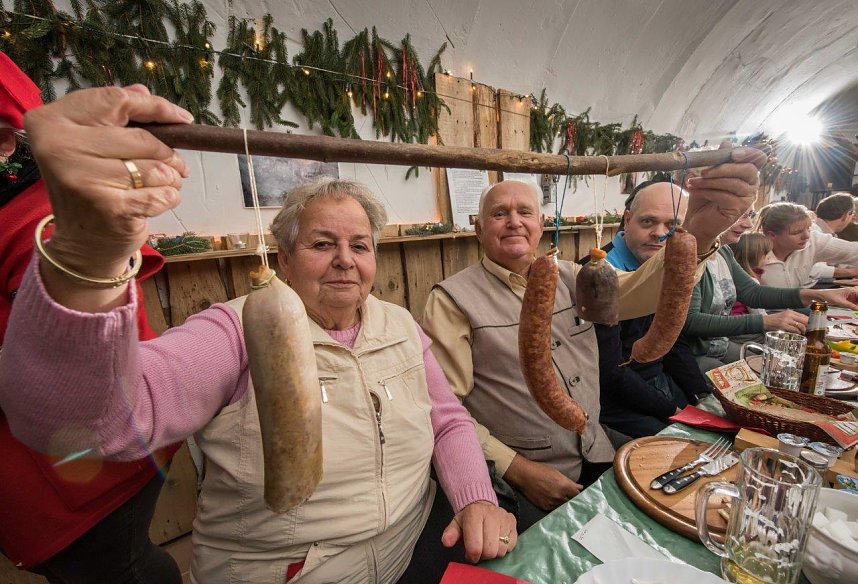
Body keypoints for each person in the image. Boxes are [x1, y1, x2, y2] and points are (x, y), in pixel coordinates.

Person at [0, 85, 516, 584]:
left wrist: (475, 497)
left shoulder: (399, 324)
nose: (345, 259)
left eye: (360, 245)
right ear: (284, 261)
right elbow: (95, 420)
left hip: (414, 548)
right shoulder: (234, 332)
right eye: (321, 243)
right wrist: (87, 254)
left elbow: (448, 421)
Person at [422, 145, 768, 532]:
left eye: (525, 212)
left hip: (596, 448)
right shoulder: (451, 300)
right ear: (479, 228)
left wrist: (701, 231)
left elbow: (644, 290)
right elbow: (445, 412)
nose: (514, 222)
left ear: (541, 224)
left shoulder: (577, 275)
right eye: (499, 213)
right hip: (518, 479)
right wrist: (519, 470)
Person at [0, 53, 181, 583]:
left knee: (120, 570)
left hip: (81, 471)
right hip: (56, 472)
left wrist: (92, 250)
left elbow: (69, 361)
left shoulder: (41, 214)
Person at [592, 176, 711, 438]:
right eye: (648, 221)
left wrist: (701, 394)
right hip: (613, 401)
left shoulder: (667, 266)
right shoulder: (595, 272)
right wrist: (674, 410)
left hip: (658, 384)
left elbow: (673, 341)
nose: (659, 233)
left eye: (672, 225)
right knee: (685, 444)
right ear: (627, 219)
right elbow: (610, 373)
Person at [685, 211, 858, 372]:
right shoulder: (690, 256)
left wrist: (823, 295)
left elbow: (753, 293)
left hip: (720, 347)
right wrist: (765, 322)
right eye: (741, 215)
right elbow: (690, 321)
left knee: (784, 369)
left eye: (751, 215)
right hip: (695, 353)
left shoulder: (723, 251)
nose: (749, 224)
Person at [758, 201, 858, 288]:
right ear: (772, 235)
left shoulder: (813, 241)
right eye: (797, 232)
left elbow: (853, 251)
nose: (806, 236)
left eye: (808, 228)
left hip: (795, 303)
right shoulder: (752, 252)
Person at [729, 232, 772, 315]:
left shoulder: (730, 275)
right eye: (765, 254)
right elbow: (759, 313)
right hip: (743, 323)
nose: (769, 257)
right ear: (754, 256)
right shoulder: (750, 281)